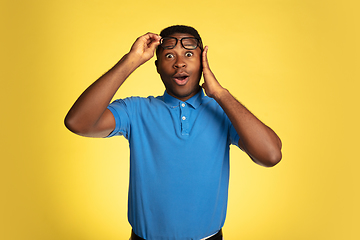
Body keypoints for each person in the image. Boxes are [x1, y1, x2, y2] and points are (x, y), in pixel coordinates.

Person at [64, 25, 282, 240]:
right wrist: (131, 60)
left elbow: (271, 155)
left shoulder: (224, 113)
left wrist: (220, 93)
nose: (180, 63)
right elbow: (78, 123)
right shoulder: (136, 110)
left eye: (189, 54)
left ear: (203, 61)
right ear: (157, 66)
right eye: (169, 55)